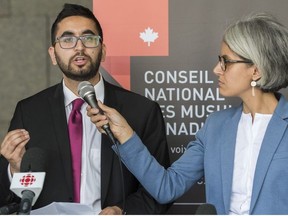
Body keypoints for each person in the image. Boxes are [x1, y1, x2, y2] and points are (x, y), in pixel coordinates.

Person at [88, 12, 288, 214]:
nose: (216, 69)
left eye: (226, 61)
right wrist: (125, 135)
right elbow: (167, 187)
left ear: (256, 70)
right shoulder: (216, 126)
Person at [0, 3, 171, 215]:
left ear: (103, 50)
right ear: (53, 54)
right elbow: (8, 199)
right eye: (67, 39)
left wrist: (122, 210)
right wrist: (15, 170)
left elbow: (161, 190)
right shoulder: (29, 112)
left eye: (89, 39)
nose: (79, 47)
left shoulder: (142, 111)